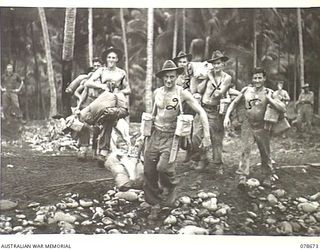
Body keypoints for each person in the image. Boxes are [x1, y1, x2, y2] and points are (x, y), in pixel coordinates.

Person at [140, 60, 211, 220]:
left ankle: (171, 187)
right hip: (156, 134)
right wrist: (143, 135)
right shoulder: (157, 92)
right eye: (166, 77)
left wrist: (206, 136)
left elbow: (201, 111)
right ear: (162, 77)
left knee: (163, 168)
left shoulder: (182, 93)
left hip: (172, 137)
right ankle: (154, 203)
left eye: (172, 76)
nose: (169, 80)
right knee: (148, 170)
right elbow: (152, 114)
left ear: (176, 76)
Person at [224, 67, 286, 187]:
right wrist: (227, 116)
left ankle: (268, 174)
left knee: (265, 151)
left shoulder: (269, 92)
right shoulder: (246, 90)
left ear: (264, 78)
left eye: (259, 78)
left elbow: (282, 107)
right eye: (255, 78)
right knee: (245, 150)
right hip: (248, 124)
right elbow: (234, 103)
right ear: (252, 79)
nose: (257, 80)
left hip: (262, 125)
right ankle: (242, 175)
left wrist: (269, 100)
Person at [84, 47, 131, 165]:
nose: (111, 59)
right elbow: (87, 82)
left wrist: (119, 92)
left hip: (115, 101)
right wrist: (101, 86)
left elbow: (128, 89)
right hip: (102, 100)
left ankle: (103, 152)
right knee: (91, 120)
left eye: (113, 57)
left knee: (109, 120)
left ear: (117, 59)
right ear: (106, 59)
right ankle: (95, 149)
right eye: (109, 57)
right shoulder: (101, 71)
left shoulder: (121, 73)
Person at [195, 50, 233, 175]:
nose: (216, 66)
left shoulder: (227, 78)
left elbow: (218, 93)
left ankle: (218, 164)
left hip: (215, 111)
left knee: (216, 138)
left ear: (223, 64)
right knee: (196, 135)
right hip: (203, 109)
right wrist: (206, 78)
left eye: (218, 63)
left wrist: (211, 77)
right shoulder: (208, 75)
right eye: (214, 64)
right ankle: (203, 158)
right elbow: (199, 90)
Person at [72, 58, 103, 160]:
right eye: (95, 66)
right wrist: (79, 105)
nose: (96, 68)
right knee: (84, 126)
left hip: (99, 106)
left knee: (98, 128)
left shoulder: (104, 79)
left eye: (98, 66)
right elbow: (83, 93)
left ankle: (95, 151)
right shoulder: (89, 79)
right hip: (87, 106)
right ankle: (83, 149)